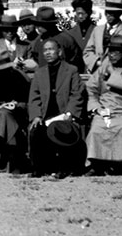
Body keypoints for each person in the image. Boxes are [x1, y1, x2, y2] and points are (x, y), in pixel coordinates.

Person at [85, 36, 122, 175]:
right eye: (110, 51)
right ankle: (96, 164)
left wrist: (113, 74)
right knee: (97, 127)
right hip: (105, 109)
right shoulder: (102, 69)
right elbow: (91, 89)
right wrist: (97, 108)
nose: (111, 55)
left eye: (115, 52)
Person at [27, 39, 87, 178]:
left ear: (59, 52)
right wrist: (36, 116)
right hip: (45, 115)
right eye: (45, 50)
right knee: (36, 131)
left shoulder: (71, 70)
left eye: (51, 49)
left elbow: (77, 94)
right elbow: (34, 97)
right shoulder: (39, 73)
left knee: (60, 130)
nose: (48, 53)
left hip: (64, 114)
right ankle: (39, 168)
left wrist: (70, 113)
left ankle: (64, 168)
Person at [83, 0, 122, 75]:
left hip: (120, 75)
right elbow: (87, 51)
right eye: (107, 12)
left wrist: (120, 61)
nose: (108, 15)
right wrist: (96, 62)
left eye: (113, 12)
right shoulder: (97, 30)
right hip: (98, 73)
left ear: (120, 13)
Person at [24, 6, 81, 71]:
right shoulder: (38, 42)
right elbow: (37, 61)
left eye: (40, 24)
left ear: (48, 24)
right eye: (36, 24)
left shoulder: (66, 40)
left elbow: (77, 62)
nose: (37, 27)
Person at [64, 0, 96, 73]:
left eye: (83, 13)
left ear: (89, 12)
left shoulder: (98, 31)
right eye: (78, 14)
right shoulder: (70, 33)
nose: (80, 16)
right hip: (75, 73)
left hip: (93, 73)